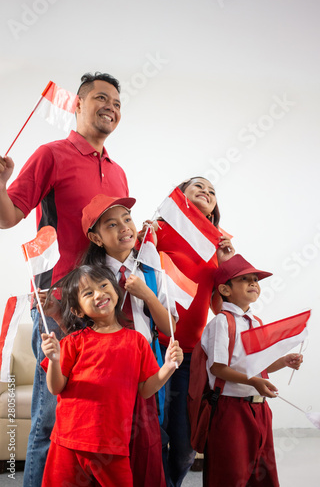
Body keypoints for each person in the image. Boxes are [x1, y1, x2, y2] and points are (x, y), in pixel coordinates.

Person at [0, 72, 129, 487]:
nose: (111, 106)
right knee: (52, 414)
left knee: (94, 414)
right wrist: (1, 183)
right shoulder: (51, 154)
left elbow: (117, 241)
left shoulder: (119, 171)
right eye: (100, 98)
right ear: (77, 105)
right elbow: (8, 217)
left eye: (117, 102)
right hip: (58, 304)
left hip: (106, 305)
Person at [40, 264, 183, 487]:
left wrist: (168, 367)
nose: (99, 294)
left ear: (117, 291)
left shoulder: (137, 341)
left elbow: (146, 390)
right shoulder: (72, 342)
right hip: (67, 440)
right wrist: (55, 360)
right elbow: (55, 388)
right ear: (78, 310)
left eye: (104, 285)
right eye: (88, 293)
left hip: (113, 445)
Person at [80, 193, 179, 486]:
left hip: (147, 358)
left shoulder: (153, 271)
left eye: (127, 220)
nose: (124, 227)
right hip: (107, 363)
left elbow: (168, 327)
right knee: (111, 433)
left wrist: (146, 294)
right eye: (111, 225)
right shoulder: (91, 278)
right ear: (96, 239)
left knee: (148, 431)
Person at [151, 176, 235, 486]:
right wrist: (144, 239)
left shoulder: (216, 243)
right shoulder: (159, 230)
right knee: (154, 433)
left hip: (190, 355)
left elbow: (218, 305)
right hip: (154, 349)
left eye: (212, 191)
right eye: (198, 186)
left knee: (186, 445)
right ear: (180, 196)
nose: (206, 192)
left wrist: (226, 261)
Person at [201, 254, 304, 486]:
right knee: (231, 474)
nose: (253, 284)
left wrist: (284, 360)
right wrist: (254, 382)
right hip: (230, 409)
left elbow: (260, 365)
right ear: (225, 290)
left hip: (259, 409)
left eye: (255, 280)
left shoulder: (255, 322)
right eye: (244, 279)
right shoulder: (221, 322)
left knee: (261, 474)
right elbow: (218, 368)